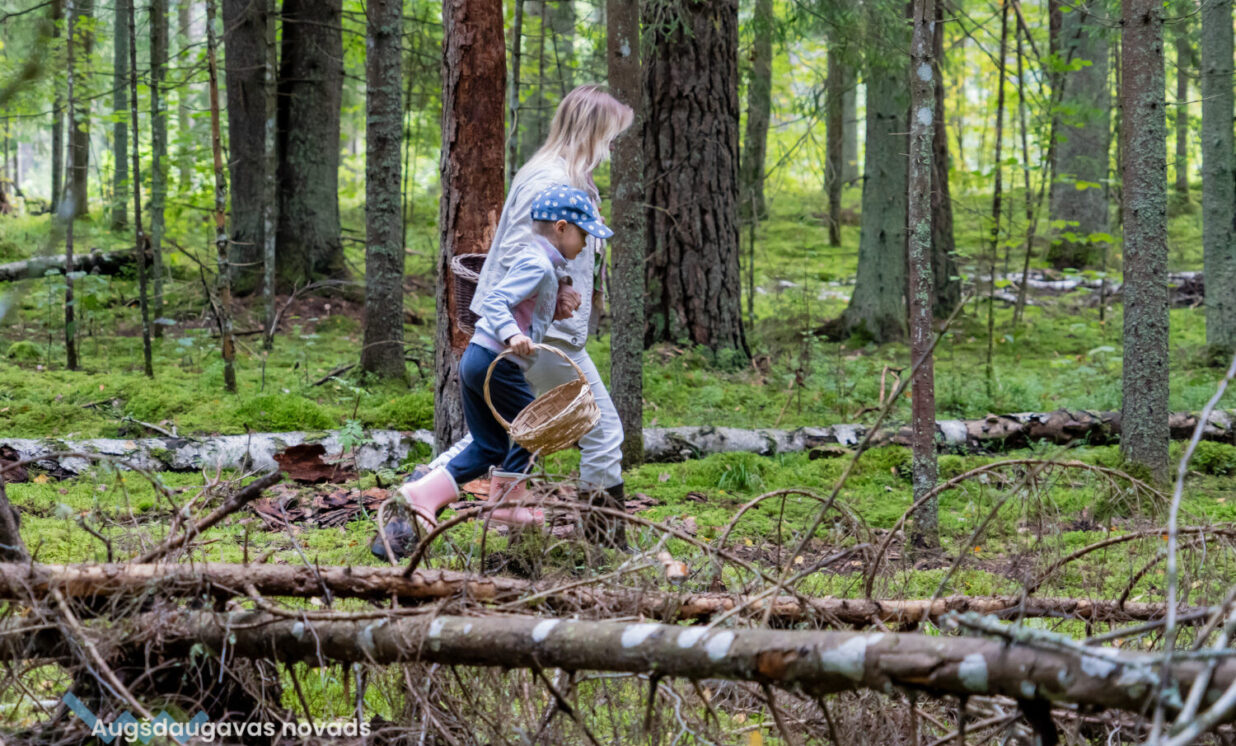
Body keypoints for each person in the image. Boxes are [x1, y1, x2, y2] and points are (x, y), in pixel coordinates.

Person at [402, 85, 635, 554]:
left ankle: (416, 500)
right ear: (591, 131)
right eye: (609, 136)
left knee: (499, 438)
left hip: (539, 332)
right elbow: (520, 252)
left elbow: (544, 250)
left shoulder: (560, 173)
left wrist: (560, 284)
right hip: (543, 338)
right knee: (601, 434)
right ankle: (604, 549)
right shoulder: (552, 179)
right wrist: (551, 292)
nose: (611, 148)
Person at [373, 185, 612, 560]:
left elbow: (525, 303)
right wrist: (513, 334)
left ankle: (421, 494)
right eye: (584, 235)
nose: (585, 245)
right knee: (534, 428)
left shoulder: (542, 263)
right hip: (496, 363)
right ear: (562, 228)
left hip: (477, 360)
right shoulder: (537, 264)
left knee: (489, 446)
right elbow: (496, 300)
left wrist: (554, 304)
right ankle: (507, 503)